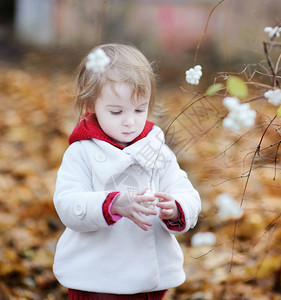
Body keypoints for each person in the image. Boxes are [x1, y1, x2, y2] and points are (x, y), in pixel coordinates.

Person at [53, 43, 202, 300]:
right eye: (116, 111)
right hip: (95, 277)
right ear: (91, 104)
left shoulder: (157, 150)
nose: (130, 121)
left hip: (148, 279)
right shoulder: (82, 152)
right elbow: (67, 203)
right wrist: (112, 204)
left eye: (139, 109)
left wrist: (177, 208)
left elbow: (184, 190)